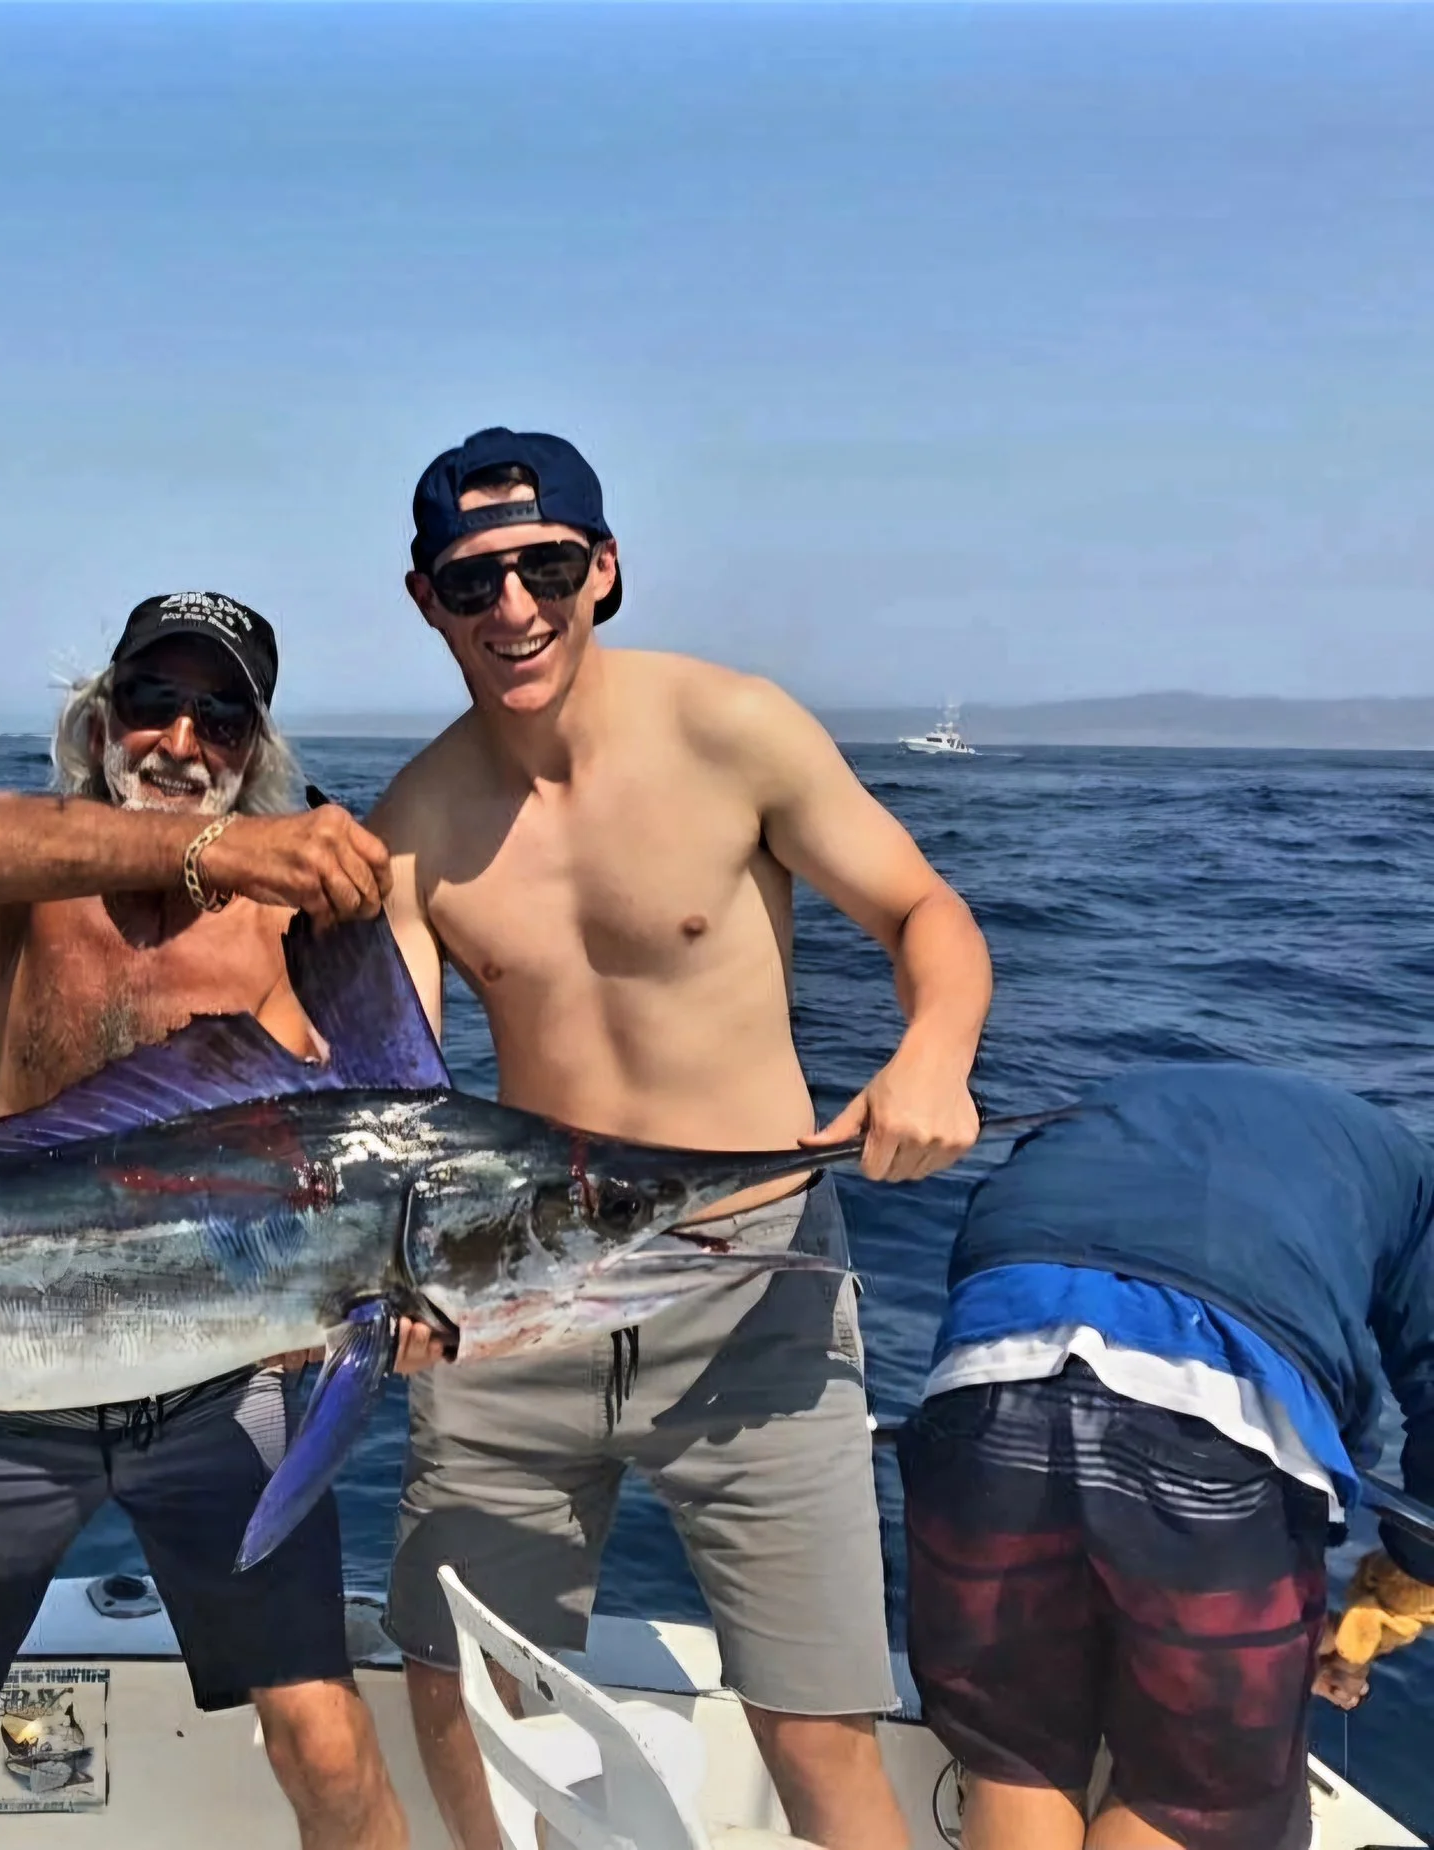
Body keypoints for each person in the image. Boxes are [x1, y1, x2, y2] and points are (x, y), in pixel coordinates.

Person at [368, 427, 995, 1850]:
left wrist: (932, 1053)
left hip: (753, 1292)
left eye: (543, 567)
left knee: (817, 1726)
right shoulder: (413, 827)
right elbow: (399, 1114)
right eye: (472, 582)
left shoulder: (736, 730)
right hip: (517, 1305)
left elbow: (925, 913)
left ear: (603, 567)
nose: (513, 607)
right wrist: (379, 1286)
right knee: (461, 1693)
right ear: (426, 602)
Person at [0, 593, 429, 1850]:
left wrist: (404, 1295)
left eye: (221, 717)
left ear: (256, 746)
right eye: (152, 702)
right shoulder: (32, 873)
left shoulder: (297, 920)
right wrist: (222, 850)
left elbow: (395, 1151)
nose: (181, 740)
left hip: (217, 1386)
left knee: (326, 1741)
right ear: (100, 720)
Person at [900, 1062, 1434, 1850]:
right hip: (1217, 1434)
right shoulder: (1415, 1182)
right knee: (1193, 1797)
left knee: (1019, 1752)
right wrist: (1406, 1575)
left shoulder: (1109, 1102)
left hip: (986, 1383)